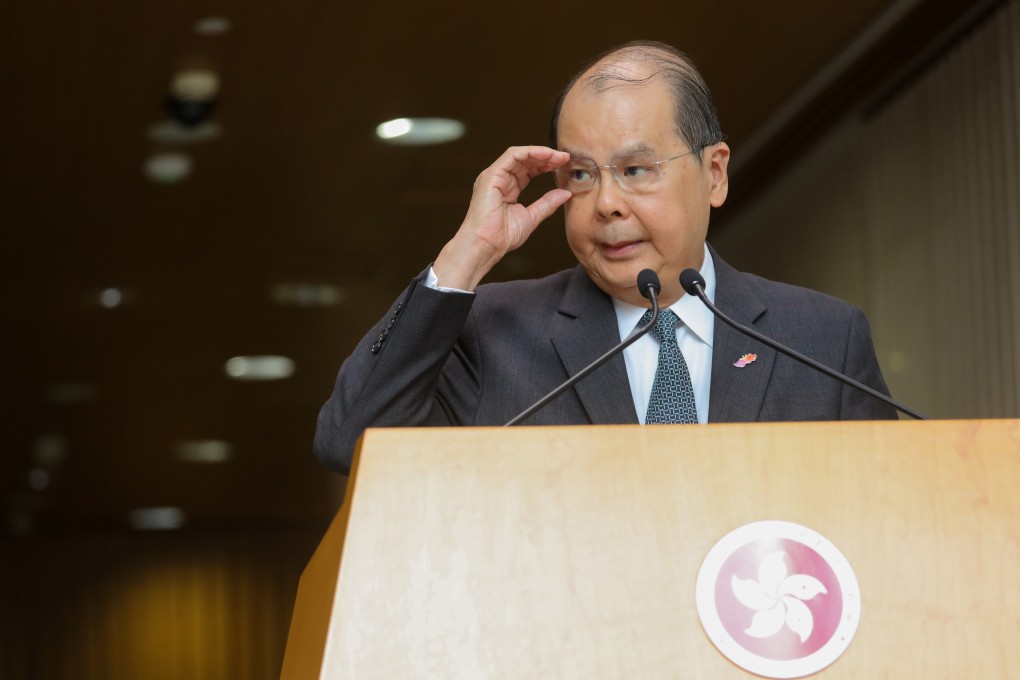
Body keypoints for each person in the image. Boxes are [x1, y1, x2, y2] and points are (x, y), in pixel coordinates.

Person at [315, 40, 897, 474]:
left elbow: (885, 522)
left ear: (714, 174)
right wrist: (465, 255)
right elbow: (351, 443)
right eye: (582, 176)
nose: (607, 204)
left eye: (636, 170)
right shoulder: (494, 335)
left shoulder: (822, 340)